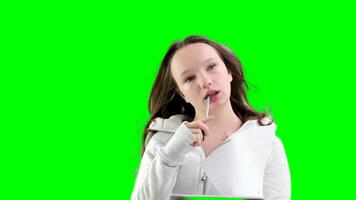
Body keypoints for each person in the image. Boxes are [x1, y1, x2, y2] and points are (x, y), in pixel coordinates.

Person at [131, 35, 291, 200]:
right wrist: (172, 153)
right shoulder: (162, 143)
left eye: (211, 66)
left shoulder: (266, 144)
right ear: (181, 93)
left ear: (229, 72)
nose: (205, 81)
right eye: (189, 78)